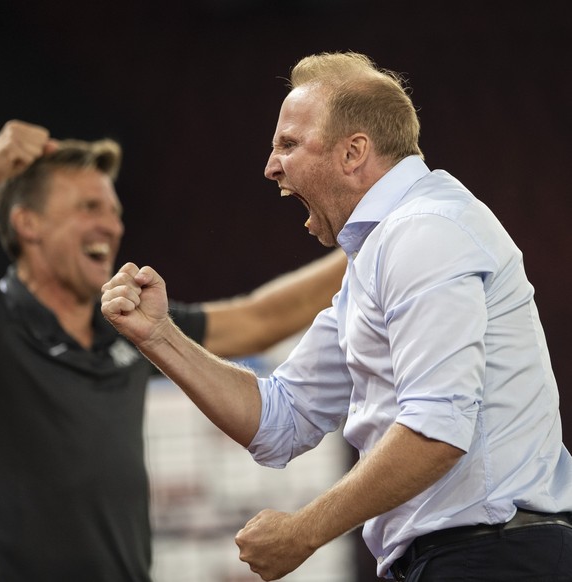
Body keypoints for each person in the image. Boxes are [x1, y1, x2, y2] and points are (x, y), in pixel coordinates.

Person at [101, 51, 572, 582]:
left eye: (289, 144)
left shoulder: (425, 231)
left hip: (491, 558)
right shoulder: (381, 250)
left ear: (354, 152)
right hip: (464, 557)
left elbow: (437, 428)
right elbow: (281, 420)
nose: (271, 165)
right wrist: (160, 336)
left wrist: (304, 531)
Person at [0, 119, 346, 582]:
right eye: (88, 207)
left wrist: (372, 239)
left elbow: (261, 319)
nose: (111, 226)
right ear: (28, 224)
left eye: (114, 211)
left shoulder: (129, 320)